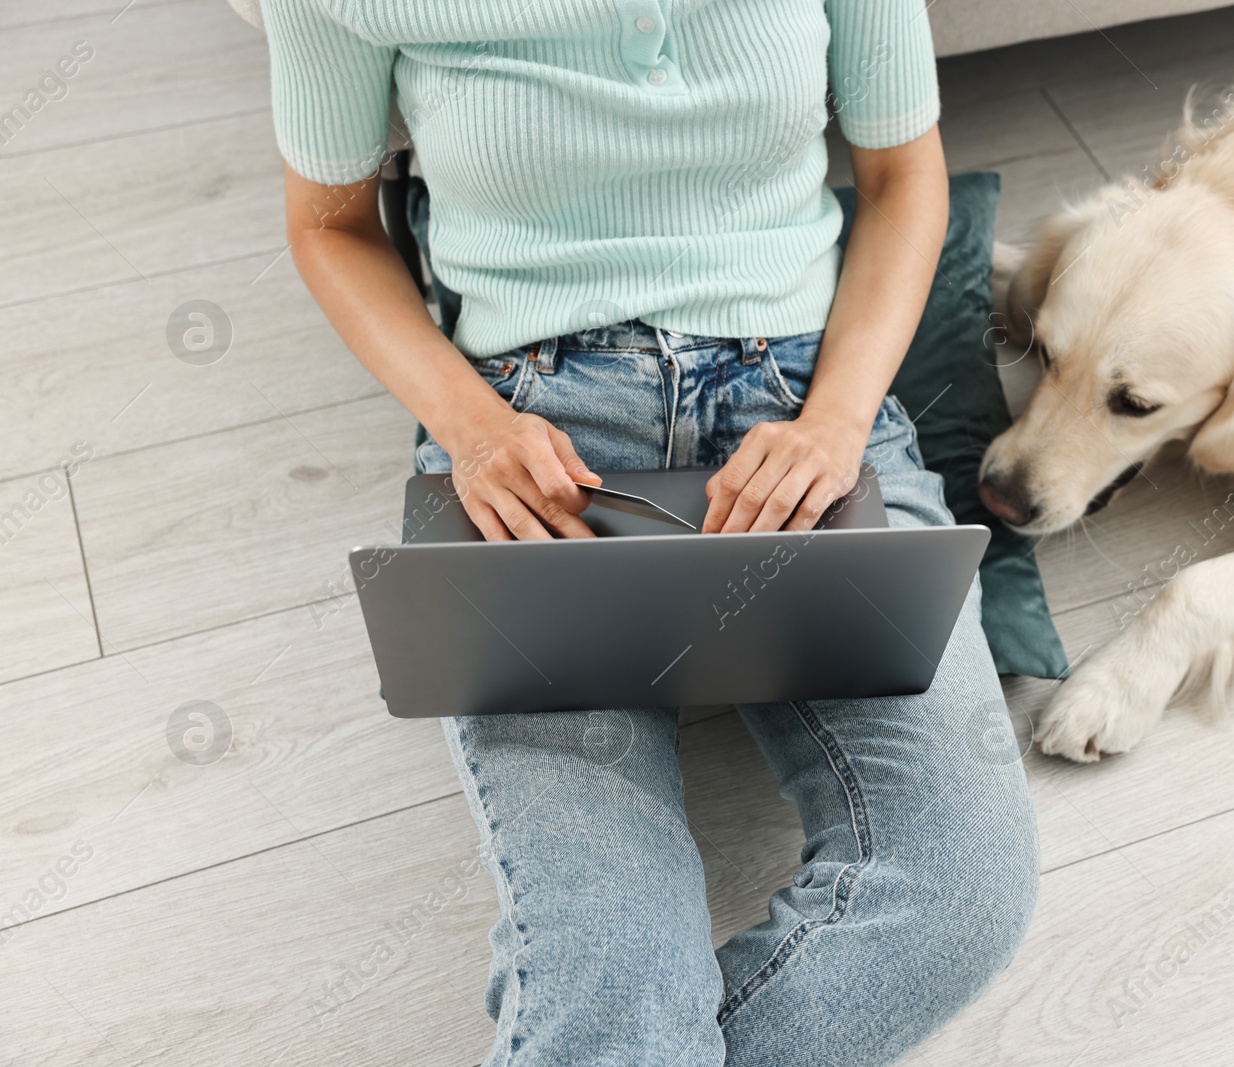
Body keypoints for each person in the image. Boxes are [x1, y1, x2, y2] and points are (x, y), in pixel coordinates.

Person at [260, 1, 1038, 1062]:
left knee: (958, 896)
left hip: (803, 404)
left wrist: (837, 424)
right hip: (533, 432)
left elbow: (903, 178)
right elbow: (328, 223)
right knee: (611, 972)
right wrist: (472, 428)